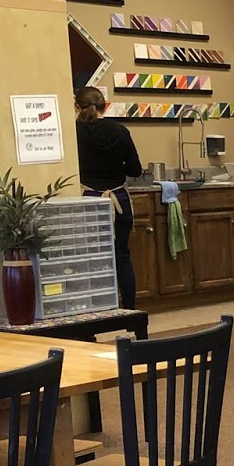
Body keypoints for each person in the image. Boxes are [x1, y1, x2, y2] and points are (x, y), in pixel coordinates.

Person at [74, 86, 141, 308]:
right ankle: (130, 311)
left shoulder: (74, 132)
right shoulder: (120, 131)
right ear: (105, 105)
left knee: (91, 258)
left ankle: (98, 308)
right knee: (122, 257)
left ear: (77, 107)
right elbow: (135, 170)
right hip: (118, 200)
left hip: (88, 201)